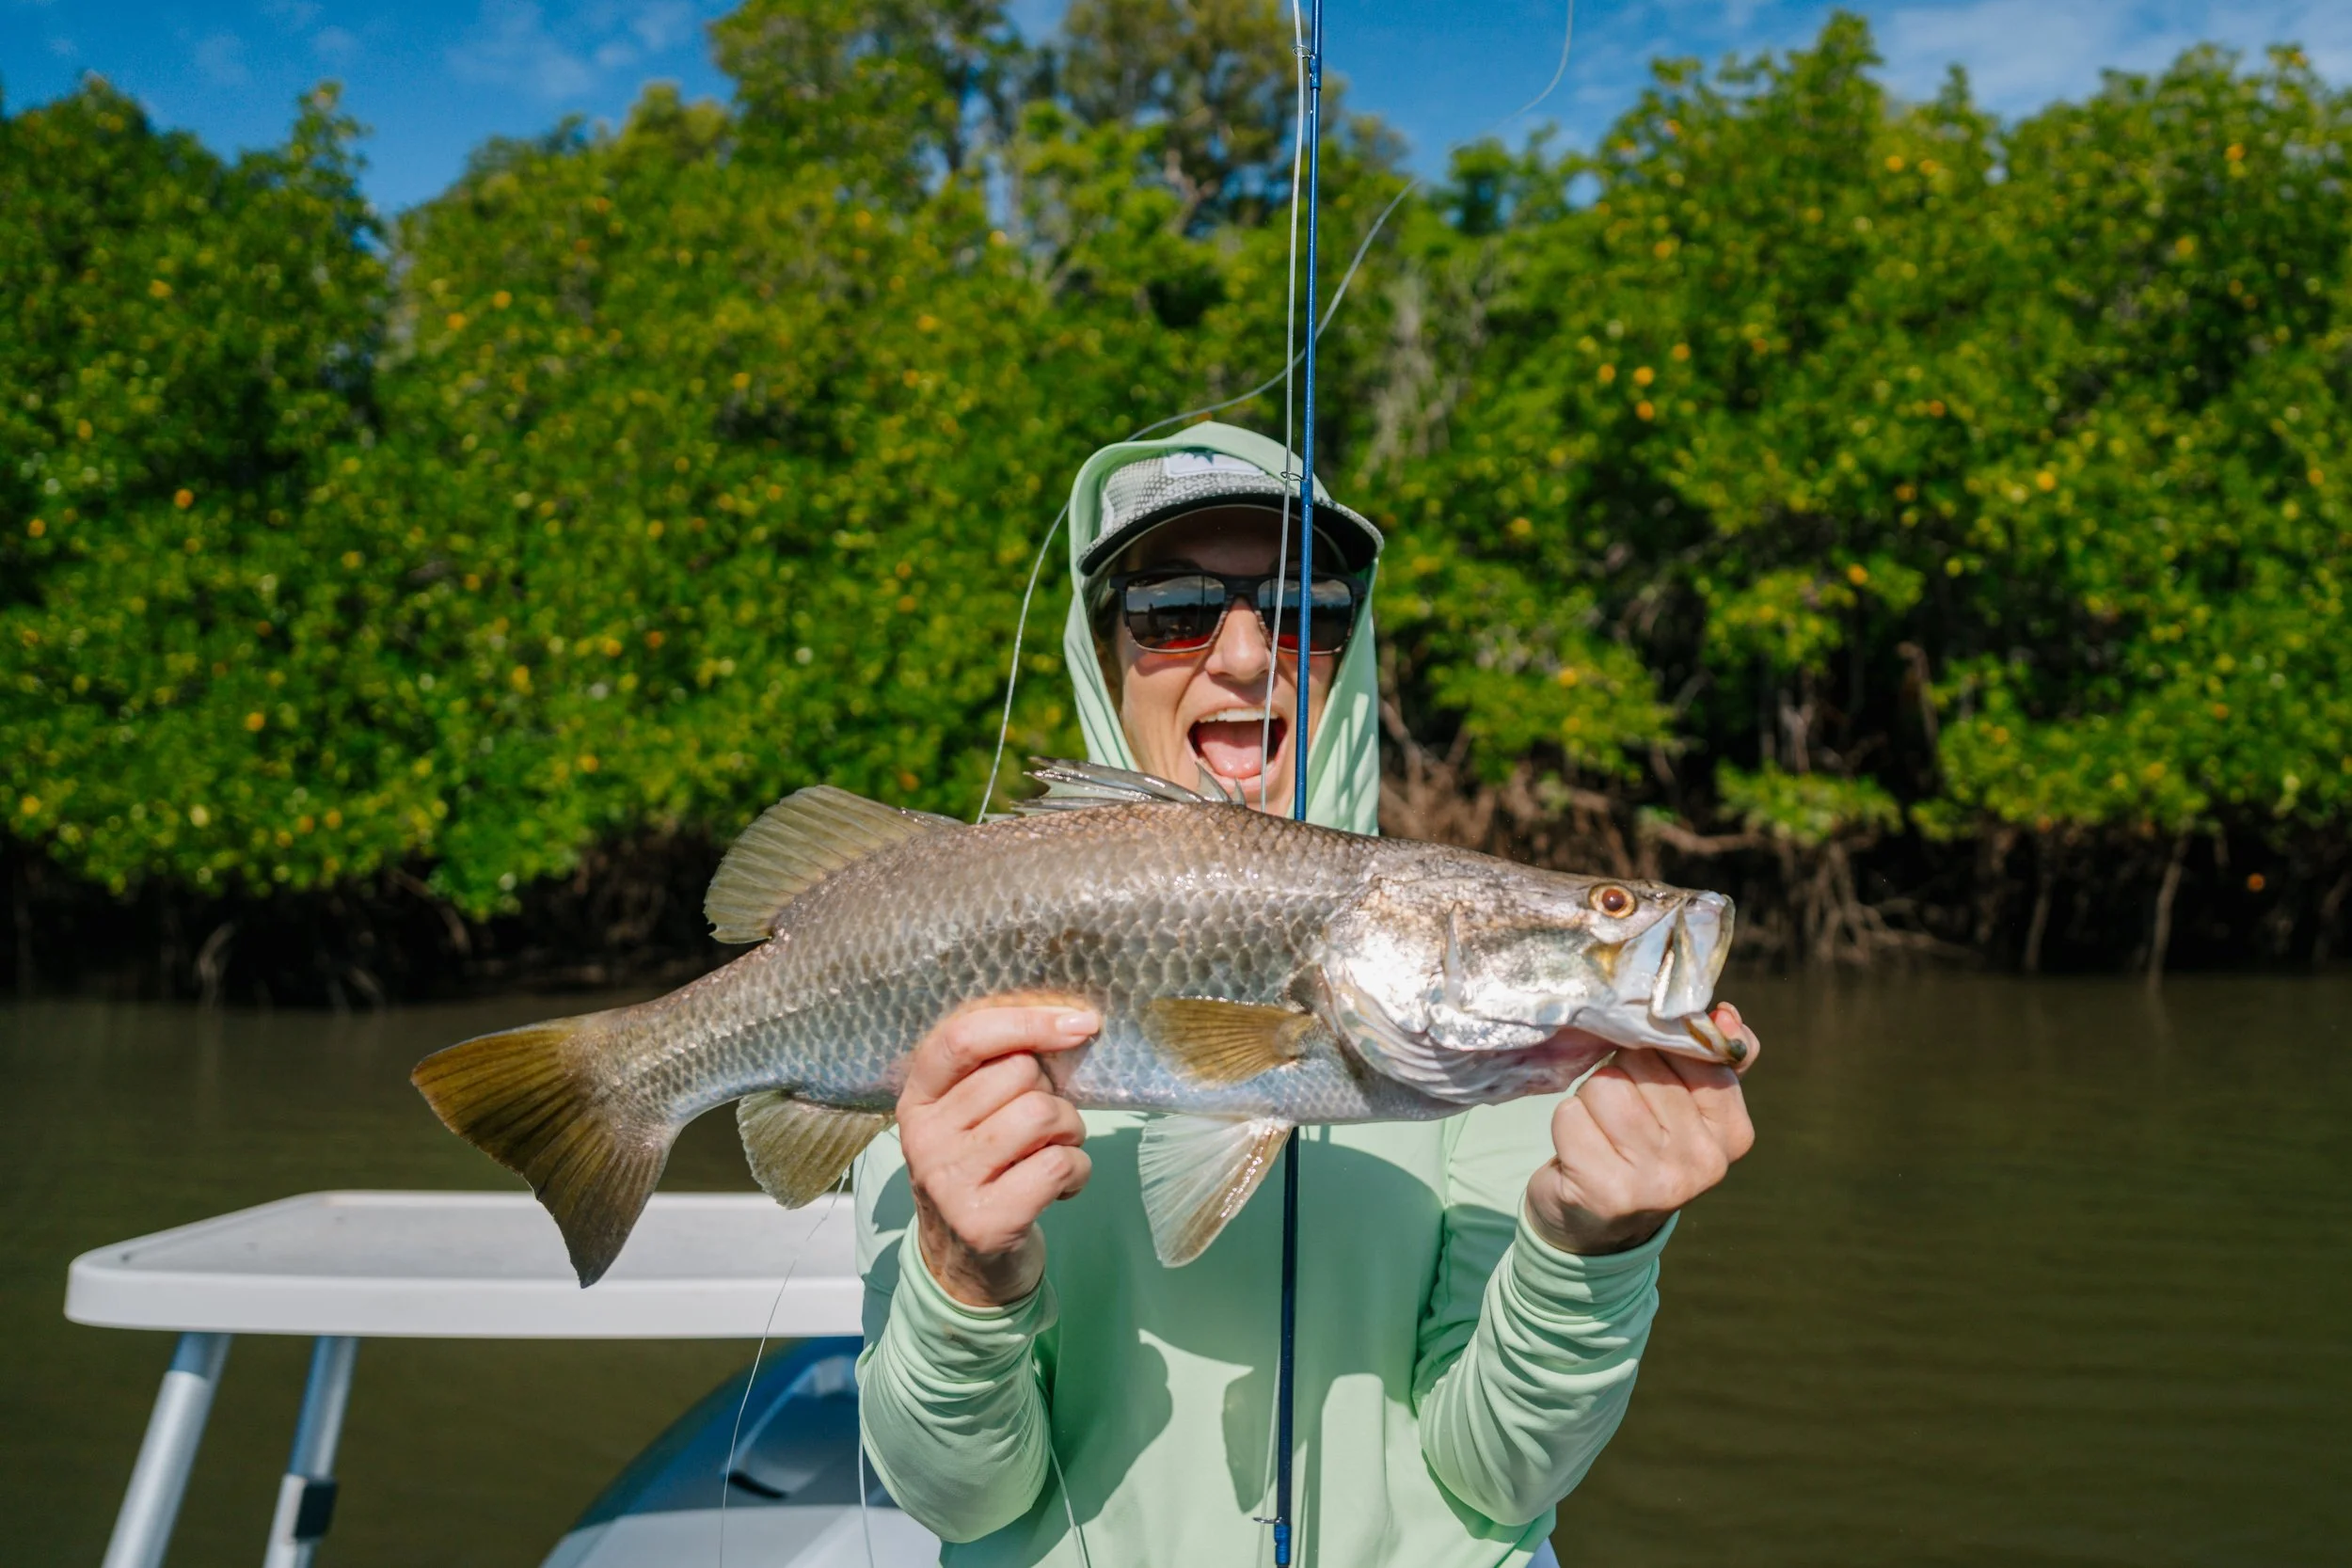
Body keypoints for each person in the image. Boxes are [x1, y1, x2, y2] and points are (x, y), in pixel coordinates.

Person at [851, 422, 1757, 1567]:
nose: (1242, 654)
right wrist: (960, 1269)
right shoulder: (947, 952)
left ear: (1350, 646)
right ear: (1100, 646)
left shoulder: (1513, 1048)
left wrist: (1595, 1245)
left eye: (1307, 610)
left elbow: (1500, 1475)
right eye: (1172, 609)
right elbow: (965, 1501)